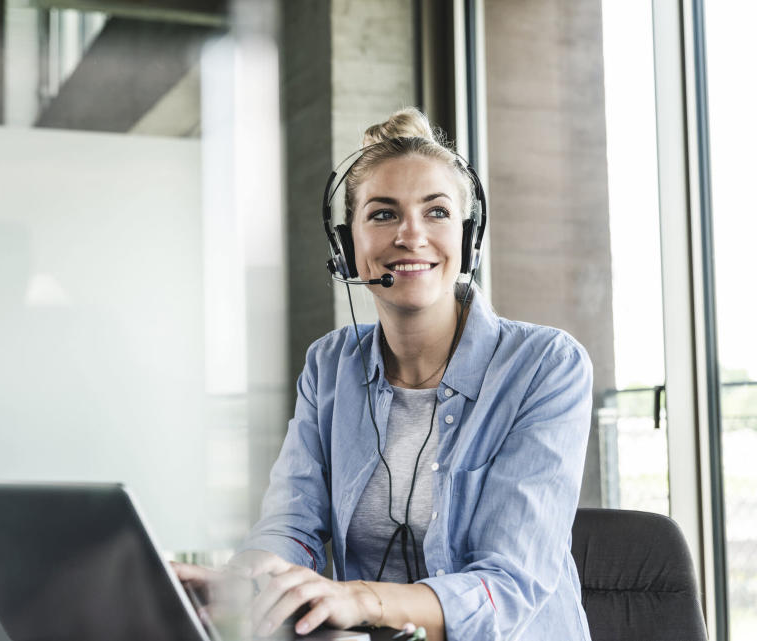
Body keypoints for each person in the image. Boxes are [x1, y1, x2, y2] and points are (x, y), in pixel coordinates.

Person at [175, 108, 593, 641]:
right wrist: (242, 580)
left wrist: (359, 598)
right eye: (382, 214)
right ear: (346, 247)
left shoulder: (545, 366)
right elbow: (292, 524)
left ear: (468, 238)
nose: (411, 235)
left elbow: (506, 586)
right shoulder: (330, 365)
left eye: (437, 212)